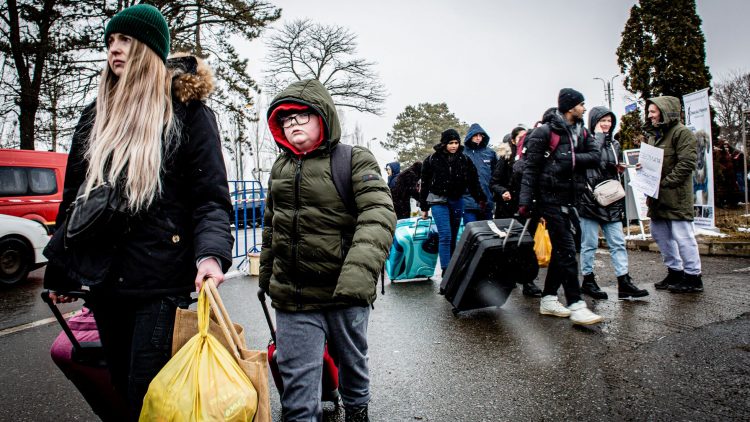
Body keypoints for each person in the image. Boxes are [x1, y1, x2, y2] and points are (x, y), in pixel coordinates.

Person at [42, 4, 233, 420]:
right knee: (122, 393)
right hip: (106, 283)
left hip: (161, 281)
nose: (114, 50)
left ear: (149, 48)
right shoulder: (95, 116)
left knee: (148, 394)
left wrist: (210, 256)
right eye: (110, 41)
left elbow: (210, 199)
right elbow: (76, 198)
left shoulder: (188, 114)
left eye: (125, 40)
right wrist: (62, 271)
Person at [259, 79, 396, 422]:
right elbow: (270, 226)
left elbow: (378, 214)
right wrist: (266, 278)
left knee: (352, 361)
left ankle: (357, 409)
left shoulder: (353, 160)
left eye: (301, 116)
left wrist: (357, 280)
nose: (293, 125)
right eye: (286, 120)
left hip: (344, 292)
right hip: (294, 297)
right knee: (297, 385)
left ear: (323, 117)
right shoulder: (280, 168)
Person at [518, 88, 604, 325]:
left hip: (571, 197)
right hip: (548, 198)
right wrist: (525, 202)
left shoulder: (582, 132)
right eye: (581, 104)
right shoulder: (543, 133)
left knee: (563, 249)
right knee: (566, 248)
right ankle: (576, 303)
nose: (584, 109)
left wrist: (570, 160)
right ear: (570, 107)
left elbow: (596, 156)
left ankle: (548, 298)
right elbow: (530, 168)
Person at [577, 107, 649, 300]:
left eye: (609, 120)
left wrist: (622, 169)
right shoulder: (585, 141)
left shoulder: (615, 144)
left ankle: (624, 282)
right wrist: (599, 138)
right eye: (602, 120)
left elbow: (606, 169)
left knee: (618, 242)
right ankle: (588, 281)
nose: (606, 124)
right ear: (593, 122)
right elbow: (591, 163)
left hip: (611, 199)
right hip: (590, 200)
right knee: (589, 244)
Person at [644, 96, 703, 293]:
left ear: (665, 111)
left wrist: (665, 183)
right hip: (657, 197)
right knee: (659, 234)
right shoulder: (654, 136)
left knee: (683, 236)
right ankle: (675, 271)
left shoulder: (682, 133)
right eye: (649, 111)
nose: (650, 115)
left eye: (653, 111)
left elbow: (686, 163)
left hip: (676, 196)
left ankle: (693, 276)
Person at [420, 129, 487, 274]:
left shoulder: (464, 160)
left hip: (456, 200)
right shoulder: (431, 160)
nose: (454, 146)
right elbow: (424, 184)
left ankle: (452, 269)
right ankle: (446, 270)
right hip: (437, 200)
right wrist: (424, 207)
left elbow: (473, 182)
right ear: (444, 143)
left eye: (456, 143)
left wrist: (481, 199)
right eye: (451, 143)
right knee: (445, 235)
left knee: (453, 234)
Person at [490, 127, 543, 298]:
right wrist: (503, 191)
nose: (524, 140)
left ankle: (528, 281)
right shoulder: (506, 159)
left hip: (530, 207)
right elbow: (495, 182)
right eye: (520, 137)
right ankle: (509, 276)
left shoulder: (534, 157)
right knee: (512, 244)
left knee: (528, 244)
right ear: (513, 140)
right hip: (509, 208)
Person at [462, 123, 497, 222]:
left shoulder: (490, 153)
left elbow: (496, 175)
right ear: (470, 136)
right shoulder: (462, 153)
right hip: (468, 201)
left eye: (480, 135)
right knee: (472, 233)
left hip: (487, 201)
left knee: (487, 233)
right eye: (475, 135)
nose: (478, 138)